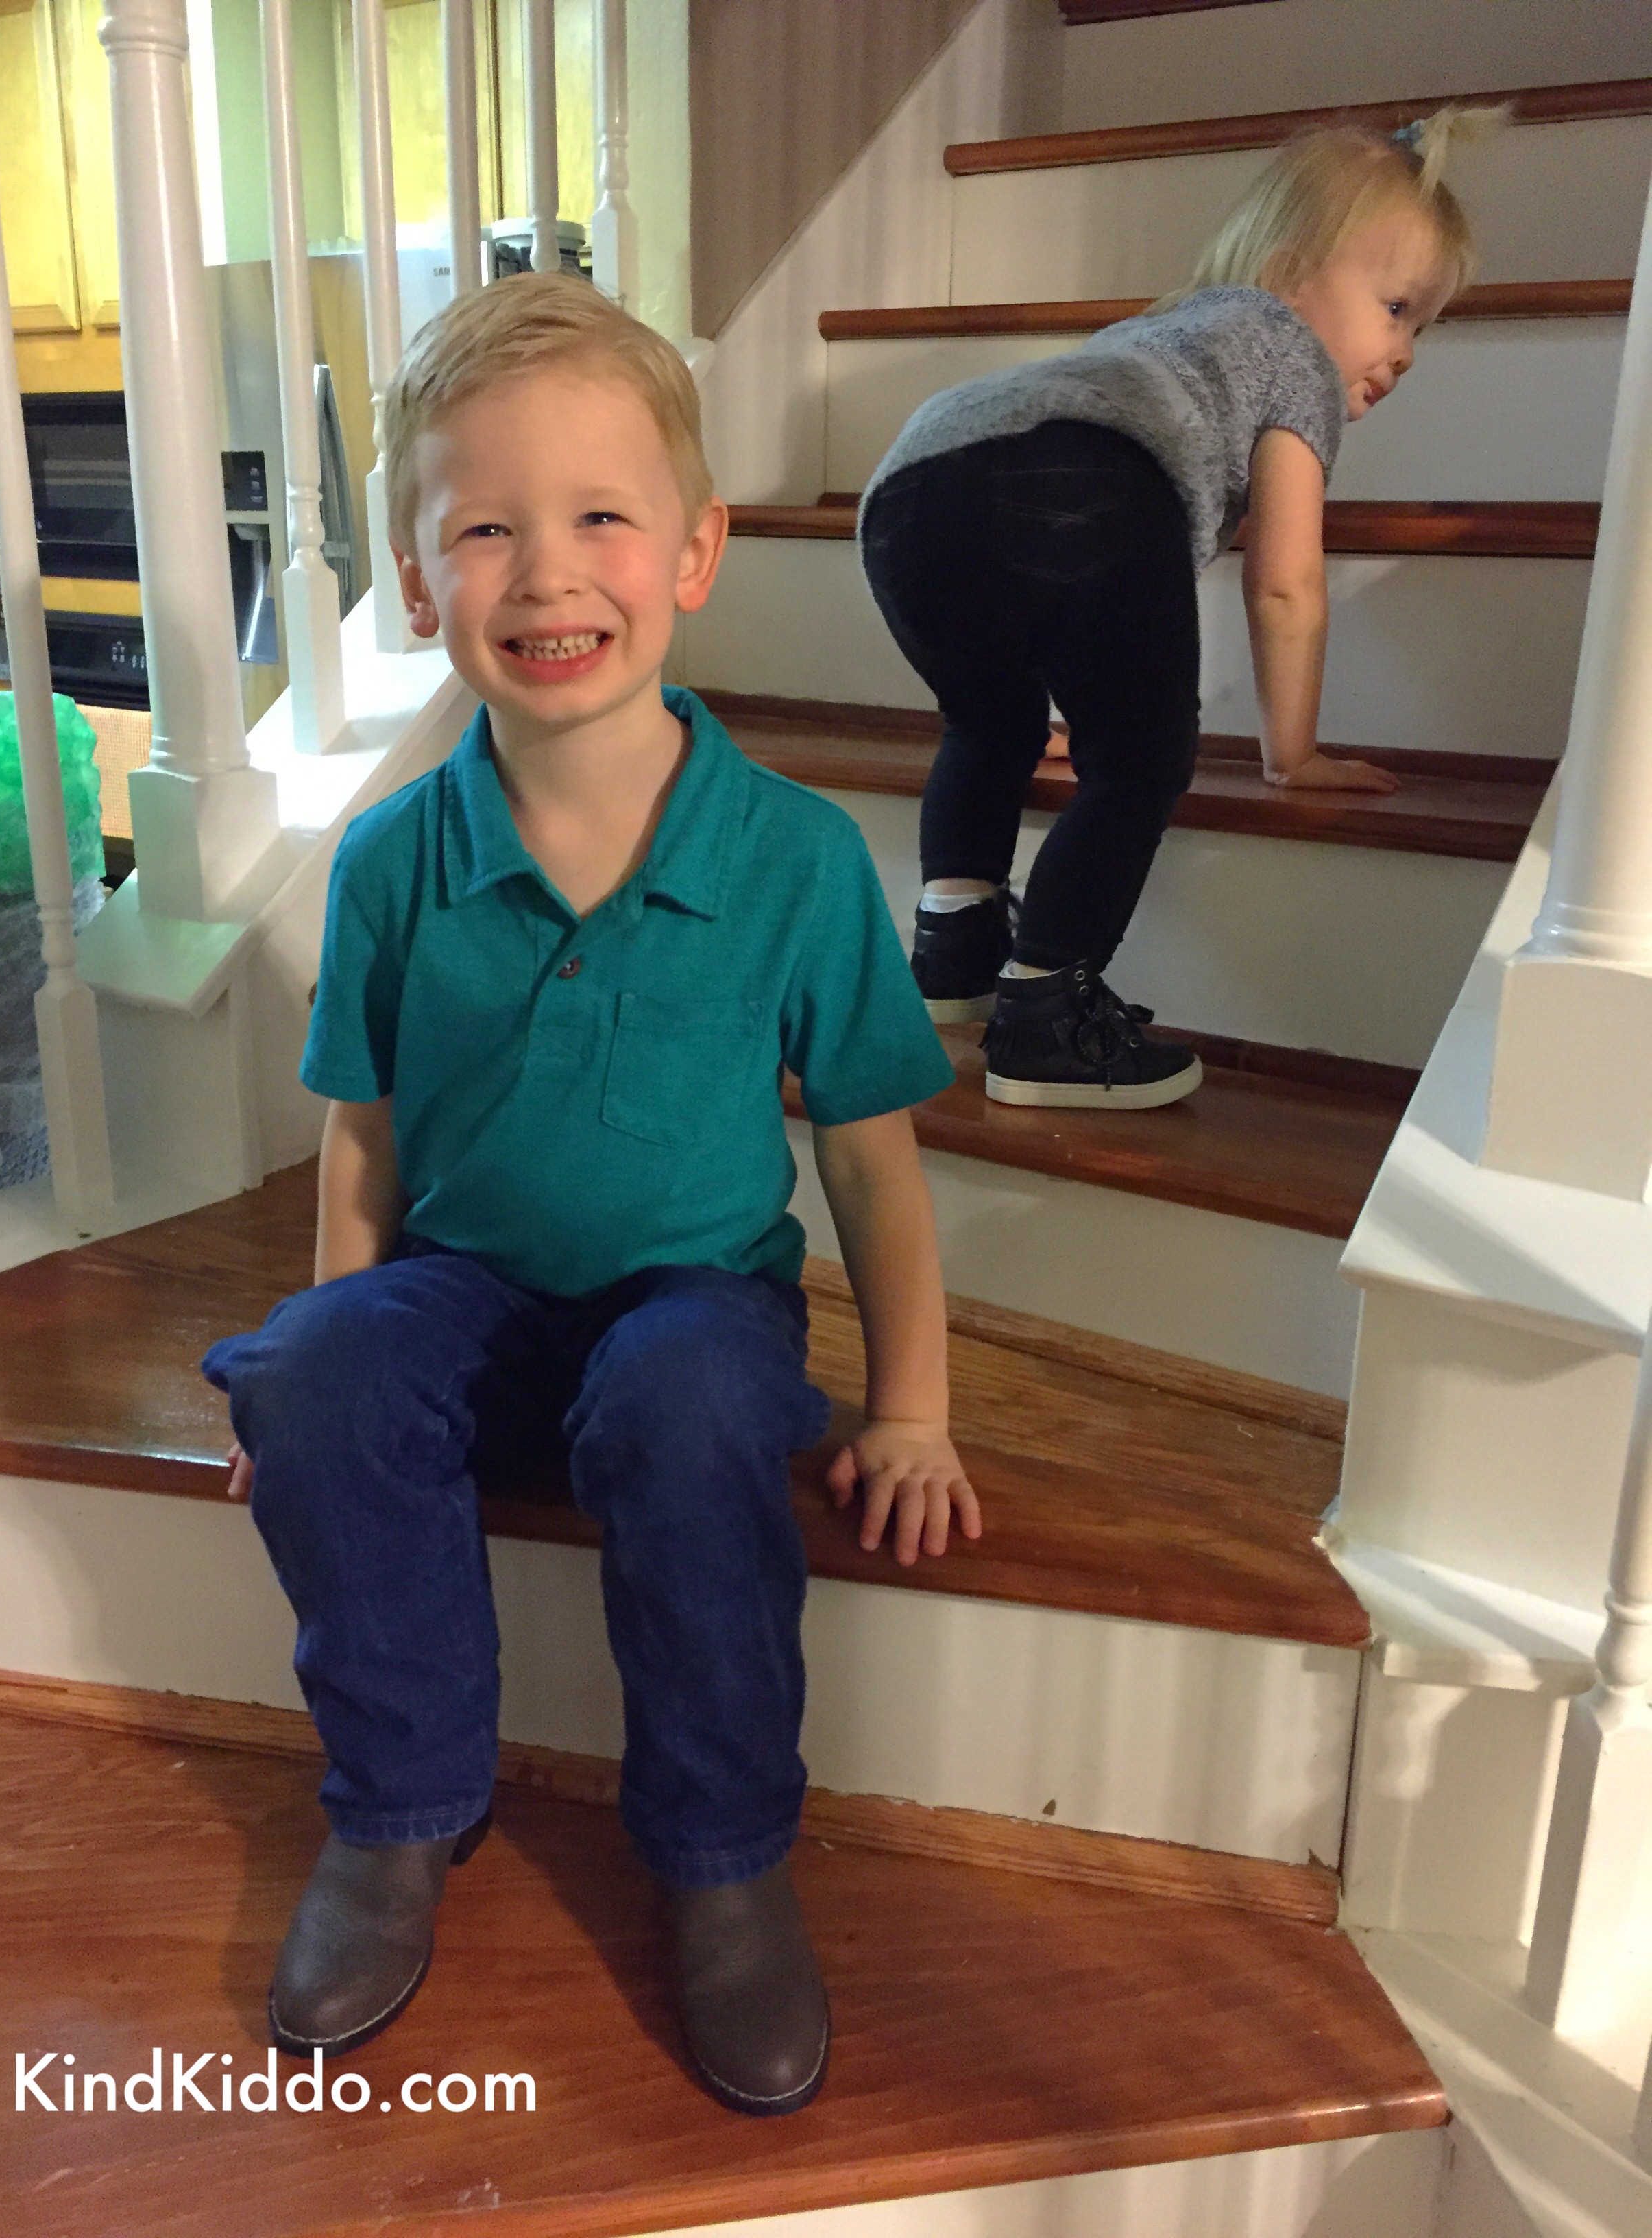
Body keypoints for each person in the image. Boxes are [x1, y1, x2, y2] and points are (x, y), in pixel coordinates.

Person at [202, 272, 980, 2118]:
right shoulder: (391, 860)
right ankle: (398, 1813)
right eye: (486, 529)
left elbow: (869, 1162)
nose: (547, 576)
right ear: (418, 585)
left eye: (602, 518)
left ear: (695, 552)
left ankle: (723, 1856)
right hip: (467, 1294)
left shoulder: (797, 858)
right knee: (312, 1368)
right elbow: (366, 1144)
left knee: (686, 1396)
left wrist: (916, 1408)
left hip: (695, 1308)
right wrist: (319, 1375)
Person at [859, 110, 1495, 1110]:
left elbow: (1055, 567)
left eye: (1423, 326)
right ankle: (1046, 1014)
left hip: (910, 487)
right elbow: (1283, 580)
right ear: (1289, 275)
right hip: (1079, 479)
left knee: (988, 724)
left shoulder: (1159, 338)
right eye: (1396, 308)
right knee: (1141, 757)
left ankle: (952, 950)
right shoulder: (1290, 356)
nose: (1406, 350)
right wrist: (1294, 754)